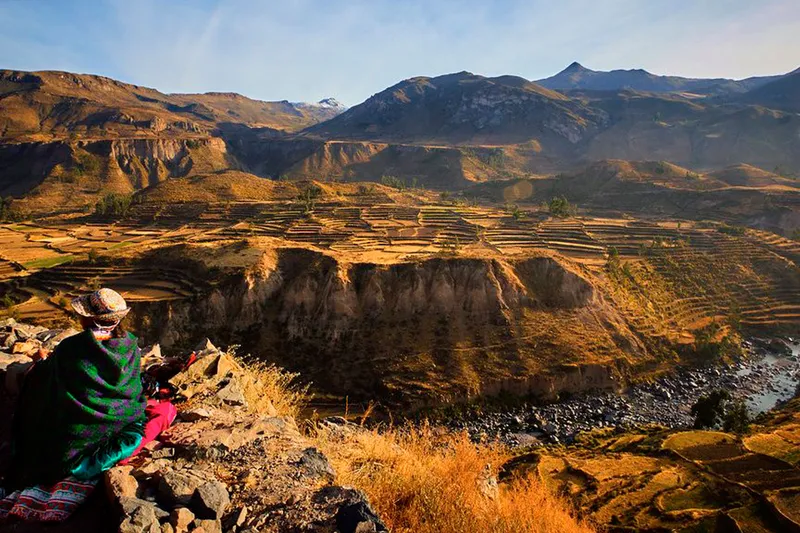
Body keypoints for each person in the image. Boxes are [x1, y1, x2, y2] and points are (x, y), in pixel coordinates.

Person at [0, 288, 176, 522]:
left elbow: (46, 381)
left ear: (90, 318)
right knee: (162, 411)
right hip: (119, 420)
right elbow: (132, 388)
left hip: (75, 434)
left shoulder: (72, 347)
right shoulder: (129, 345)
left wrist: (39, 364)